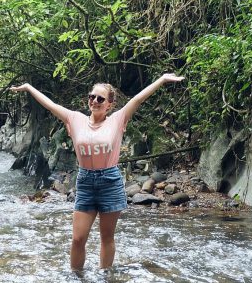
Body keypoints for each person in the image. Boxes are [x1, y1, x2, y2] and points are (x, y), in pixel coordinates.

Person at [10, 73, 184, 270]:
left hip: (110, 181)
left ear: (109, 104)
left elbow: (138, 99)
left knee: (106, 237)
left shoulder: (118, 120)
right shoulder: (75, 119)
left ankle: (105, 278)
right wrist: (28, 87)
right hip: (85, 181)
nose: (94, 101)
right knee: (77, 238)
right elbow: (50, 105)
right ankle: (76, 279)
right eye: (91, 97)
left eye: (100, 98)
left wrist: (161, 80)